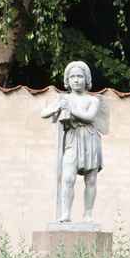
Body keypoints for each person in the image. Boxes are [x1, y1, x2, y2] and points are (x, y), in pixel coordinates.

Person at [40, 60, 105, 224]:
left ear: (86, 79)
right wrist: (57, 107)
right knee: (68, 178)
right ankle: (66, 213)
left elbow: (89, 117)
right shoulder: (64, 98)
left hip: (89, 138)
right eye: (73, 77)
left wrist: (69, 109)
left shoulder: (93, 100)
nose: (76, 80)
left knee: (90, 180)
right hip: (72, 138)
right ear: (67, 80)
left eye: (80, 76)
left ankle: (88, 214)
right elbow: (44, 113)